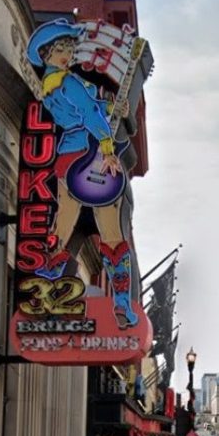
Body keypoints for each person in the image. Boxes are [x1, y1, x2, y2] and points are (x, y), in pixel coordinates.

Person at [25, 19, 138, 329]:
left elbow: (89, 109)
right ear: (47, 53)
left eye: (70, 48)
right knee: (112, 233)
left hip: (66, 155)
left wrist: (113, 109)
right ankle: (122, 305)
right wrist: (108, 148)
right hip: (92, 155)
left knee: (63, 223)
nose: (68, 54)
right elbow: (89, 114)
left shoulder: (50, 85)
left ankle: (45, 291)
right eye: (62, 48)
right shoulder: (70, 82)